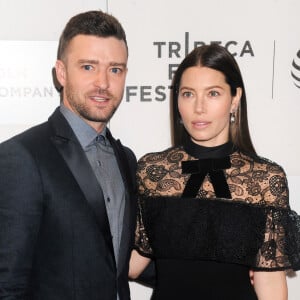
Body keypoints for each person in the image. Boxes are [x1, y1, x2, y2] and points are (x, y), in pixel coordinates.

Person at [129, 44, 300, 299]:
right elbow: (131, 264)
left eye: (213, 94)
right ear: (177, 100)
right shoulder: (154, 172)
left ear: (235, 98)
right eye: (188, 94)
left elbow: (271, 285)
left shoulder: (264, 179)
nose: (199, 107)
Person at [0, 10, 137, 300]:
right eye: (88, 67)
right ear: (61, 73)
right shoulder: (21, 157)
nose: (103, 82)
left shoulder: (126, 159)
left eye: (115, 69)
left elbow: (117, 258)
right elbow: (7, 283)